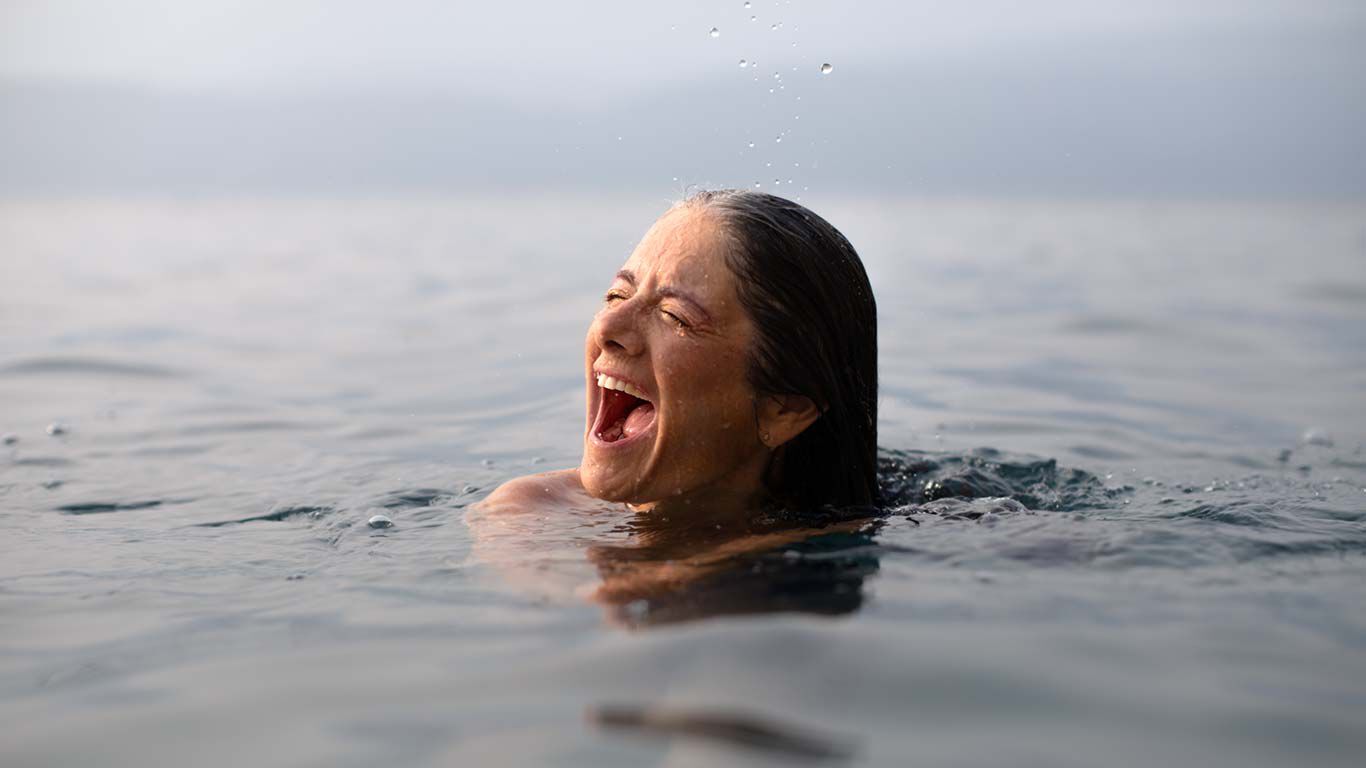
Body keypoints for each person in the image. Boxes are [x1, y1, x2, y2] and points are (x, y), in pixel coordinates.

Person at [469, 189, 879, 617]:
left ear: (785, 409)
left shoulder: (848, 552)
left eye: (675, 316)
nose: (607, 325)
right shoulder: (530, 513)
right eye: (616, 296)